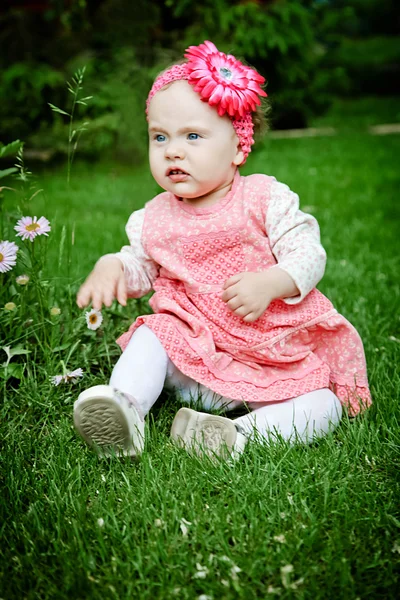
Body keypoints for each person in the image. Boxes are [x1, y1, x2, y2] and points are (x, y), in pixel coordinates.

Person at [73, 40, 371, 460]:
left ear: (237, 147)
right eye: (159, 137)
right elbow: (143, 268)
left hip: (269, 355)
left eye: (192, 135)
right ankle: (123, 408)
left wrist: (273, 282)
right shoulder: (153, 217)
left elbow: (308, 253)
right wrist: (115, 266)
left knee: (324, 405)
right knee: (153, 333)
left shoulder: (264, 198)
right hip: (193, 350)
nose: (172, 150)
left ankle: (236, 435)